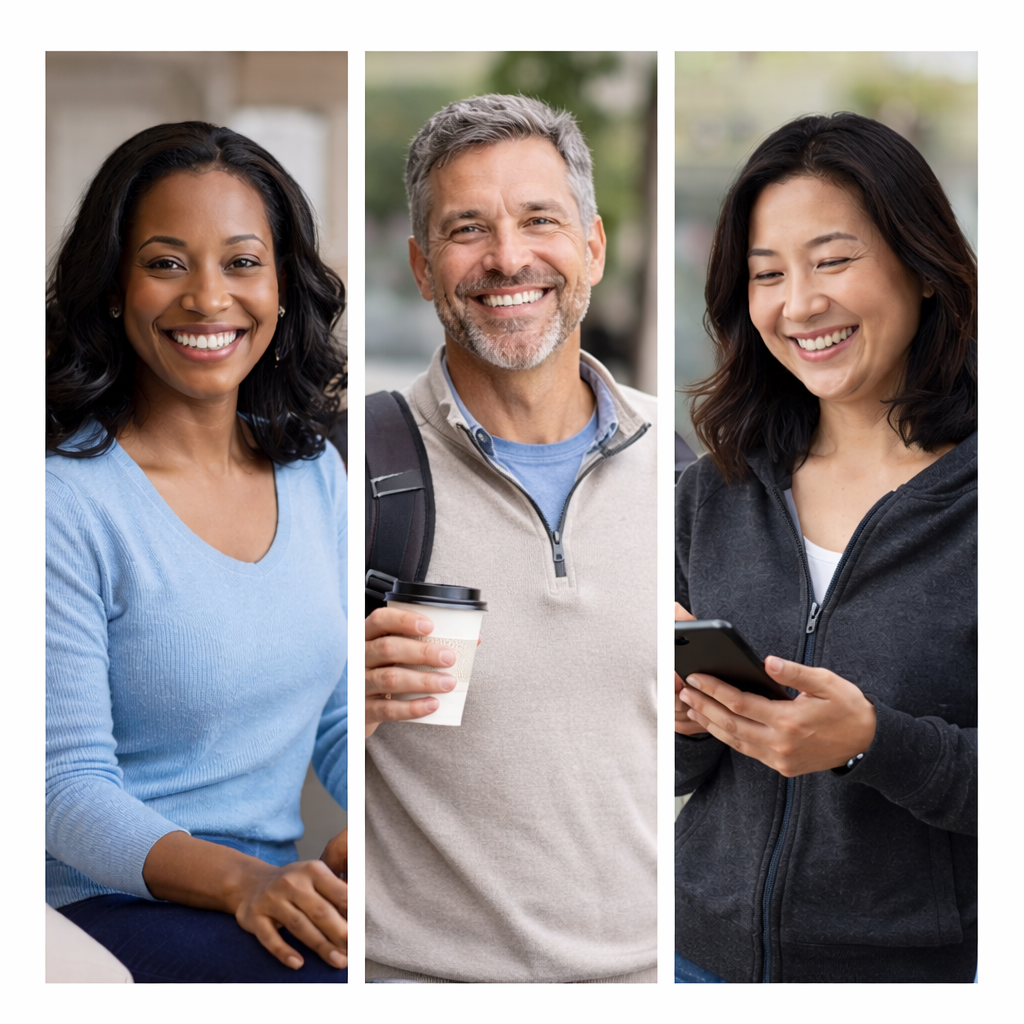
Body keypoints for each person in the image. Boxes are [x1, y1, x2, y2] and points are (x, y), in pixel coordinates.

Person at [674, 112, 976, 983]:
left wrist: (871, 743)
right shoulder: (713, 490)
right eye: (767, 274)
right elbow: (681, 771)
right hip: (697, 961)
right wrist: (690, 719)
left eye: (833, 260)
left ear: (922, 267)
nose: (799, 303)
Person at [46, 122, 349, 983]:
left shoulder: (313, 470)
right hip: (106, 909)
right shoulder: (61, 502)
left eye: (243, 262)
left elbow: (331, 711)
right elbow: (61, 791)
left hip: (277, 887)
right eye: (167, 262)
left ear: (283, 286)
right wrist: (246, 884)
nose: (209, 298)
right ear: (113, 286)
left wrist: (373, 830)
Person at [364, 95, 657, 983]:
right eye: (467, 229)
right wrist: (339, 693)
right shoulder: (345, 470)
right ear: (421, 265)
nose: (509, 258)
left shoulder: (690, 473)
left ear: (594, 248)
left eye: (540, 220)